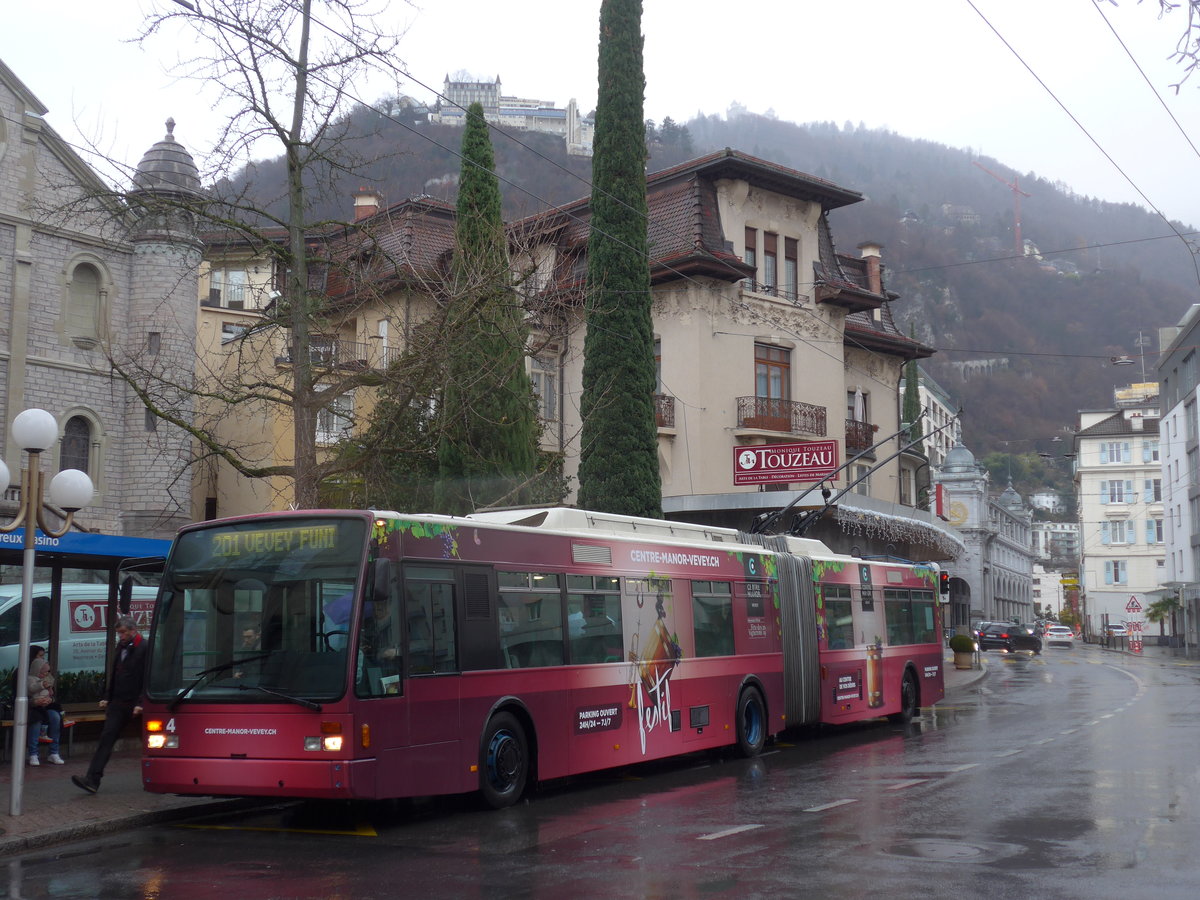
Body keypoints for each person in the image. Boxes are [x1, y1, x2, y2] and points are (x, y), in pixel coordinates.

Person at [71, 616, 146, 794]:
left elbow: (146, 677)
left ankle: (163, 776)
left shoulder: (145, 647)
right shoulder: (121, 647)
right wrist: (107, 696)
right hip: (118, 703)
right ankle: (92, 780)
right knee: (106, 738)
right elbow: (115, 674)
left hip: (135, 704)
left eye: (123, 632)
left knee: (149, 741)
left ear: (133, 630)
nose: (121, 636)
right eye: (119, 633)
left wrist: (141, 702)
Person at [27, 653, 64, 766]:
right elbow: (30, 691)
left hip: (46, 706)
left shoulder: (48, 678)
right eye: (43, 672)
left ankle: (54, 752)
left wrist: (50, 699)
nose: (45, 674)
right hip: (33, 708)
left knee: (55, 717)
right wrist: (41, 686)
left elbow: (53, 695)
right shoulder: (30, 679)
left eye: (47, 672)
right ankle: (33, 754)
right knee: (36, 720)